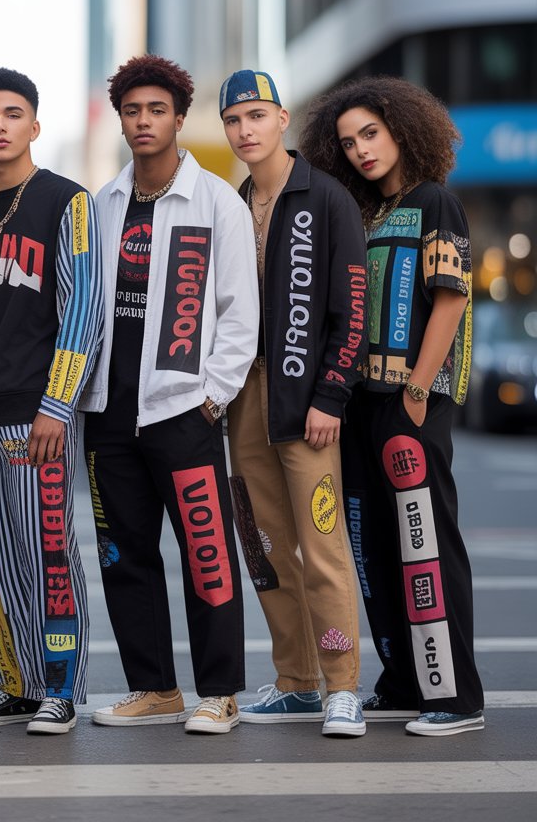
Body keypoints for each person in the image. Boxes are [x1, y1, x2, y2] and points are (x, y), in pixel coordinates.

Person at [301, 75, 484, 737]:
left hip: (412, 404)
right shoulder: (361, 213)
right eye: (347, 142)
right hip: (357, 405)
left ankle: (455, 696)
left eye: (370, 134)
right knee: (371, 545)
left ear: (403, 130)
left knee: (425, 544)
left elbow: (451, 297)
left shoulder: (436, 202)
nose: (359, 151)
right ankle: (402, 680)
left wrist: (415, 390)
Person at [80, 54, 257, 734]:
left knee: (206, 551)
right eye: (133, 110)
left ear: (180, 119)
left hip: (183, 410)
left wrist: (211, 394)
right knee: (123, 553)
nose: (144, 121)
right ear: (121, 120)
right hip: (110, 411)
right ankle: (153, 688)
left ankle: (220, 691)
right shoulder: (103, 204)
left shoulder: (214, 201)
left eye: (157, 110)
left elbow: (241, 312)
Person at [0, 67, 102, 735]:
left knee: (47, 554)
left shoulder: (68, 202)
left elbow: (83, 312)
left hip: (34, 415)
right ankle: (14, 685)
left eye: (13, 113)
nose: (0, 124)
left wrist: (57, 407)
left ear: (35, 126)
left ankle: (60, 689)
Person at [219, 69, 368, 737]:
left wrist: (331, 394)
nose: (245, 129)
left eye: (256, 115)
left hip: (308, 402)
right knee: (267, 545)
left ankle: (341, 684)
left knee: (322, 545)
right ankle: (297, 681)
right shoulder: (230, 203)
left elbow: (351, 309)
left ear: (282, 119)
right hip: (243, 397)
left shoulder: (325, 199)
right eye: (234, 119)